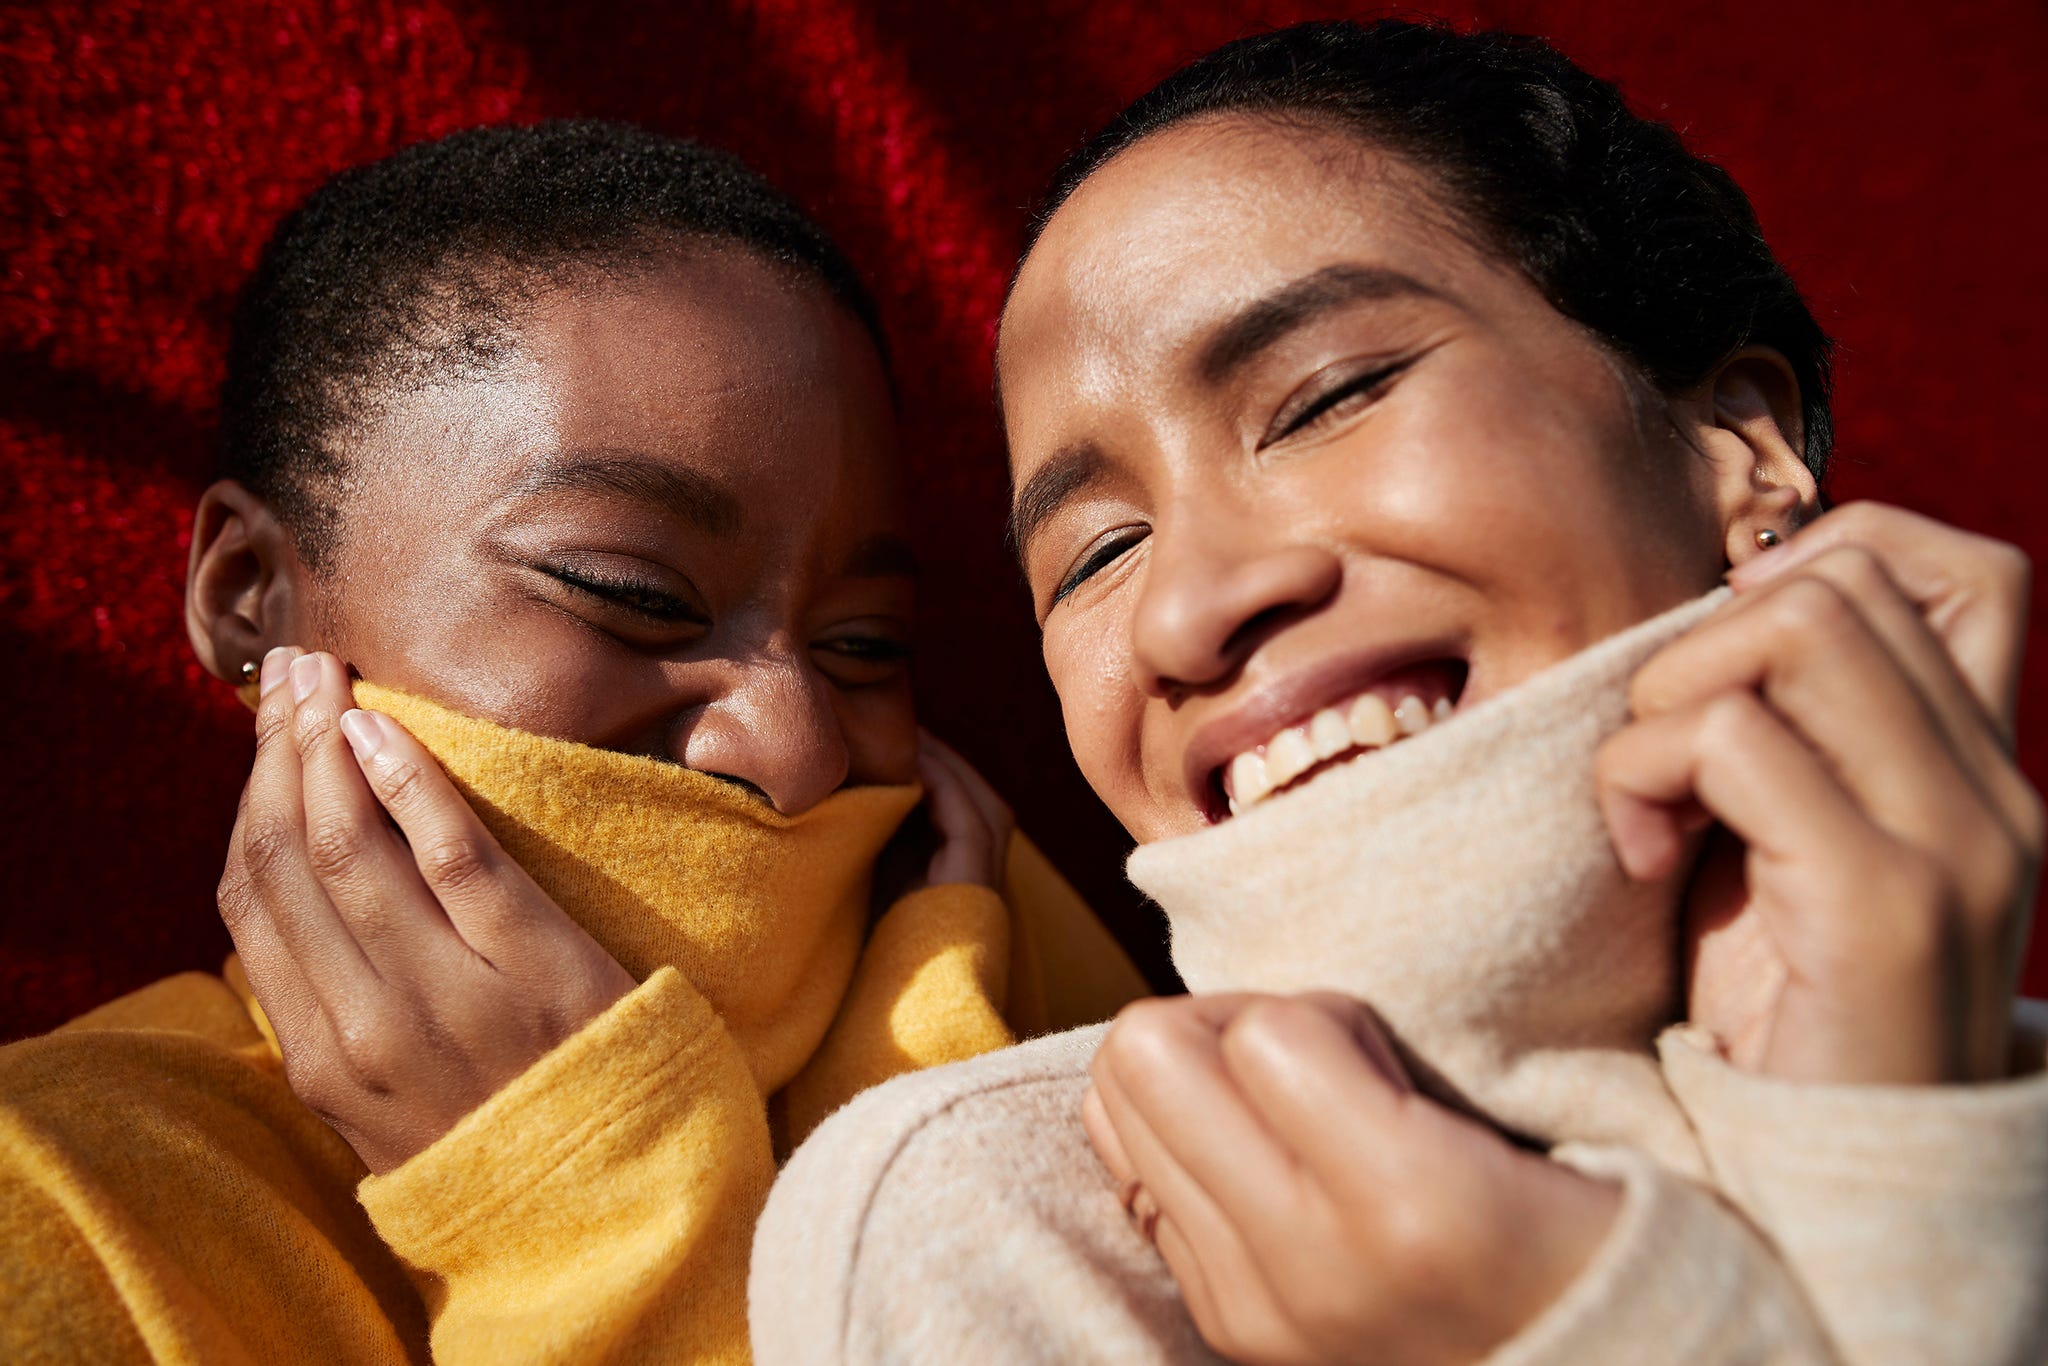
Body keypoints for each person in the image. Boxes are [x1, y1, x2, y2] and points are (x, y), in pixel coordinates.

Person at [749, 20, 2048, 1365]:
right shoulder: (999, 1222)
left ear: (1736, 444)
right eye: (1098, 554)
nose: (1191, 610)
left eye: (1328, 397)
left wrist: (1906, 1138)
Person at [0, 120, 1143, 1364]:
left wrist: (928, 1115)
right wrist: (580, 1201)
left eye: (864, 644)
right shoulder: (62, 1207)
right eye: (626, 593)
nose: (794, 748)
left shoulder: (1035, 1024)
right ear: (248, 600)